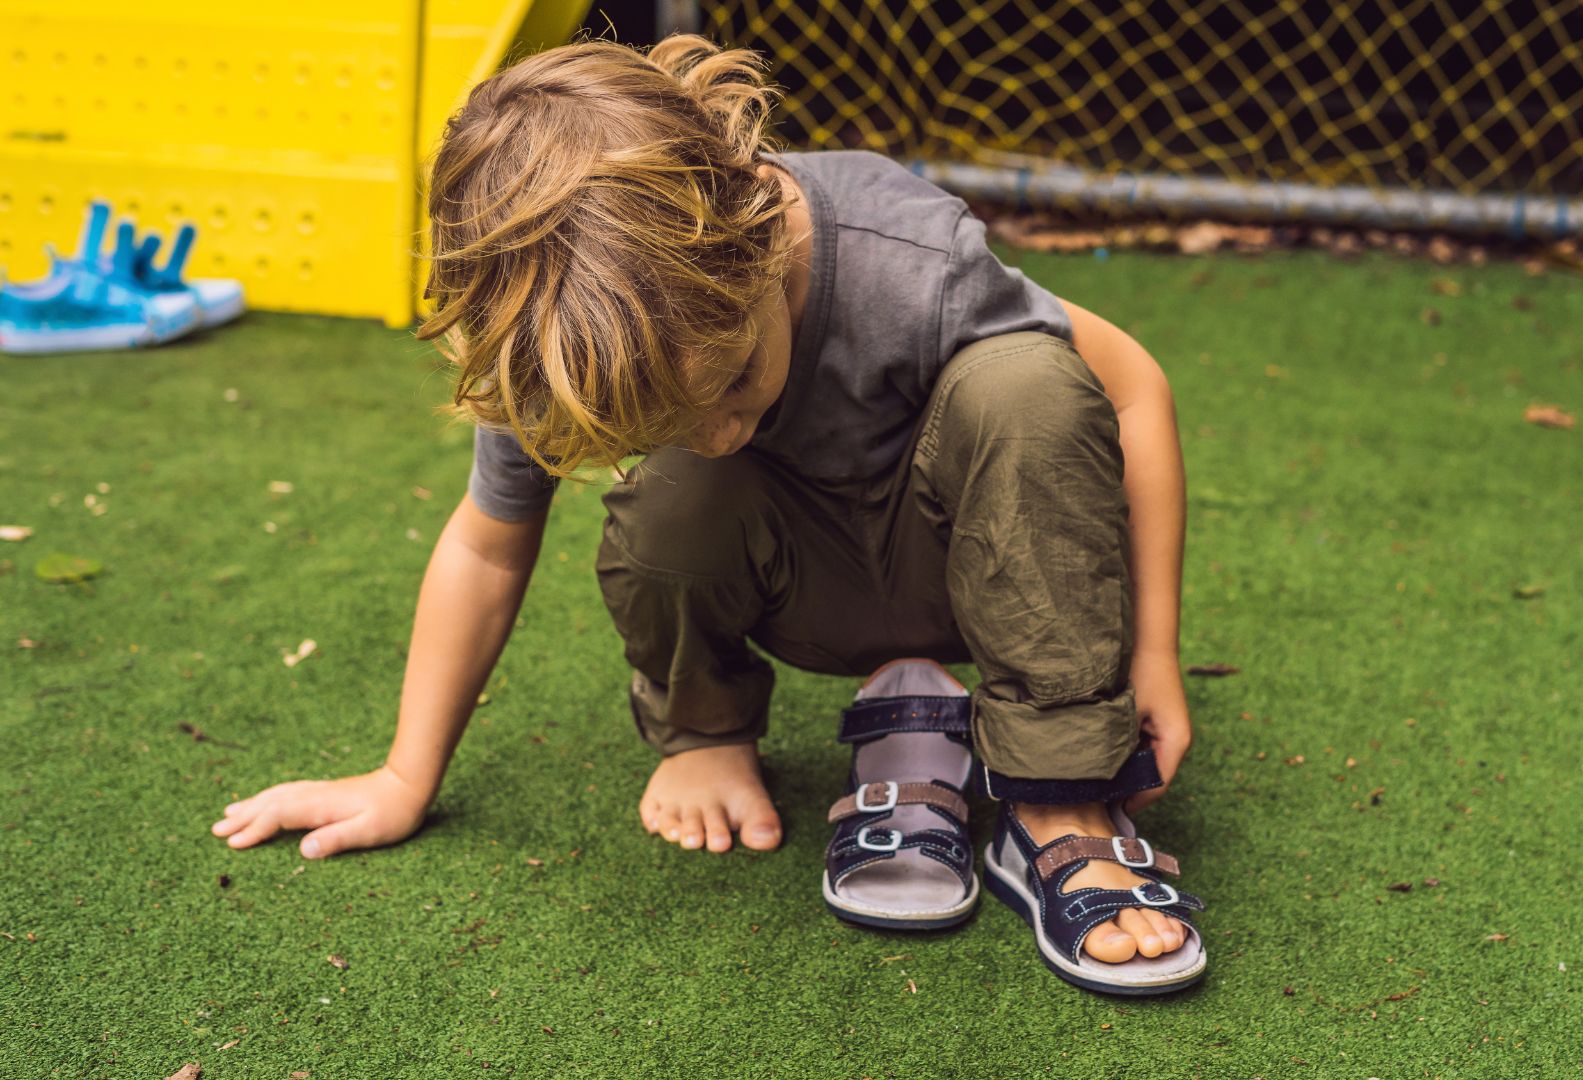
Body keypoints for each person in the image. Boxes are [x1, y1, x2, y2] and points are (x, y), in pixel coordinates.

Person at [209, 35, 1205, 993]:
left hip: (975, 573)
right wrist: (401, 777)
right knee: (684, 491)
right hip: (794, 585)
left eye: (735, 380)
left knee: (1029, 383)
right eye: (675, 419)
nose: (725, 430)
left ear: (761, 244)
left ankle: (1064, 799)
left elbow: (1131, 388)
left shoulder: (902, 249)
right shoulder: (558, 331)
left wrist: (1150, 652)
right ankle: (708, 729)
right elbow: (486, 547)